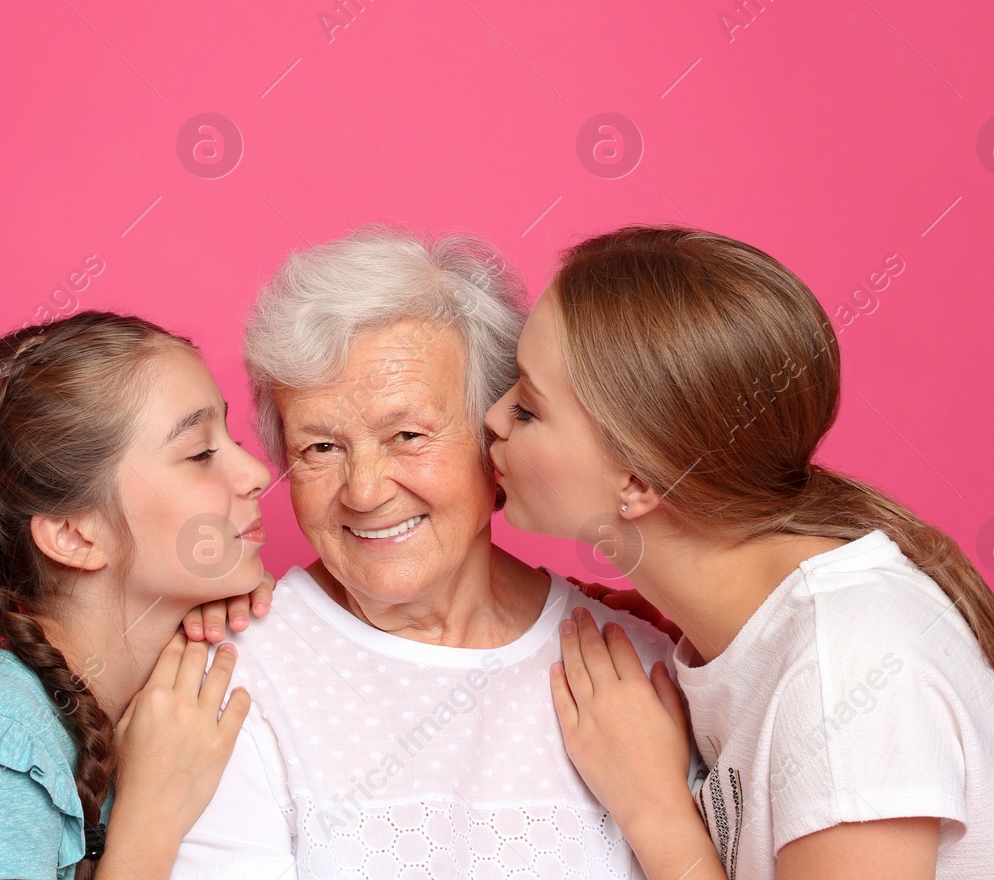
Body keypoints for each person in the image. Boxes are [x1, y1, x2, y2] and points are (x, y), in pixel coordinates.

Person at [484, 225, 994, 880]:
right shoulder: (769, 634)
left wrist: (653, 806)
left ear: (638, 480)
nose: (493, 417)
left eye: (528, 408)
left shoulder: (844, 672)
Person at [172, 227, 677, 879]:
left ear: (497, 437)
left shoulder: (641, 662)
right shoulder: (231, 678)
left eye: (406, 434)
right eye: (321, 447)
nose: (363, 490)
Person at [0, 311, 275, 880]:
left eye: (234, 436)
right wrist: (150, 822)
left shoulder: (156, 699)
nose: (255, 471)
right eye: (200, 454)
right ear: (75, 535)